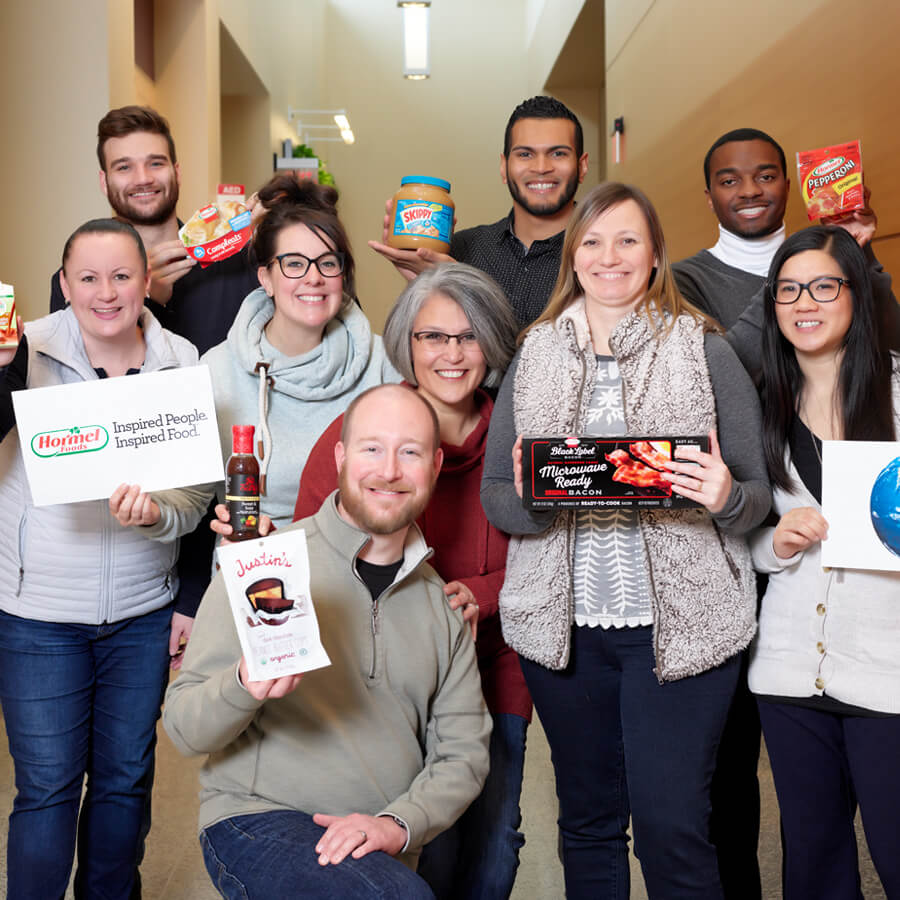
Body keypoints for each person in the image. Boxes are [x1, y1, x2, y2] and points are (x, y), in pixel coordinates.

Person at [481, 182, 771, 899]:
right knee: (586, 822)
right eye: (593, 241)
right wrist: (532, 502)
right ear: (573, 255)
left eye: (628, 240)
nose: (609, 258)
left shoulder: (704, 349)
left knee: (673, 826)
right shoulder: (534, 353)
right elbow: (497, 495)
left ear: (655, 253)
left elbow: (755, 498)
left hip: (686, 628)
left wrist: (724, 496)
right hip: (564, 632)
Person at [163, 383, 491, 900]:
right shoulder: (265, 564)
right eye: (371, 449)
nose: (388, 470)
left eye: (410, 452)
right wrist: (245, 684)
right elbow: (183, 730)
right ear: (340, 456)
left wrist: (398, 824)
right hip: (259, 817)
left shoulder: (442, 609)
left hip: (377, 841)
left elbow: (463, 755)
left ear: (434, 465)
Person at [295, 264, 529, 899]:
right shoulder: (365, 431)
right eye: (432, 337)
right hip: (379, 678)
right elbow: (306, 549)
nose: (451, 355)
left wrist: (481, 593)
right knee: (391, 852)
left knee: (490, 849)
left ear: (492, 343)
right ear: (406, 344)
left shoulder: (522, 438)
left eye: (468, 336)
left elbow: (558, 558)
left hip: (492, 669)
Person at [0, 218, 212, 899]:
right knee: (47, 790)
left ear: (147, 281)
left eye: (122, 275)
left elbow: (198, 493)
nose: (105, 291)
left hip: (141, 614)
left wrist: (158, 516)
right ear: (64, 285)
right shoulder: (22, 351)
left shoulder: (182, 361)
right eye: (87, 277)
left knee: (124, 784)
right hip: (37, 615)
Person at [748, 226, 900, 899]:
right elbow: (740, 532)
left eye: (823, 286)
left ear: (855, 295)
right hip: (788, 671)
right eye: (787, 289)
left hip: (889, 672)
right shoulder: (758, 404)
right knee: (812, 864)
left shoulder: (896, 392)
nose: (803, 302)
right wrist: (776, 542)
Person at [202, 174, 398, 531]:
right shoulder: (216, 370)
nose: (313, 278)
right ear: (266, 278)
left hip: (356, 569)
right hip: (253, 561)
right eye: (294, 263)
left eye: (328, 263)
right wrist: (152, 513)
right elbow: (188, 498)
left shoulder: (384, 364)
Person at [49, 105, 259, 355]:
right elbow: (78, 375)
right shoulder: (79, 279)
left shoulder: (239, 261)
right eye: (124, 167)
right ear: (105, 182)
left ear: (176, 173)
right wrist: (146, 297)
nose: (143, 179)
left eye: (156, 163)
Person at [370, 96, 589, 329]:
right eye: (525, 154)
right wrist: (423, 287)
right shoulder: (460, 252)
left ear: (582, 166)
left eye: (558, 154)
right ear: (504, 168)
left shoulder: (605, 256)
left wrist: (462, 288)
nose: (542, 167)